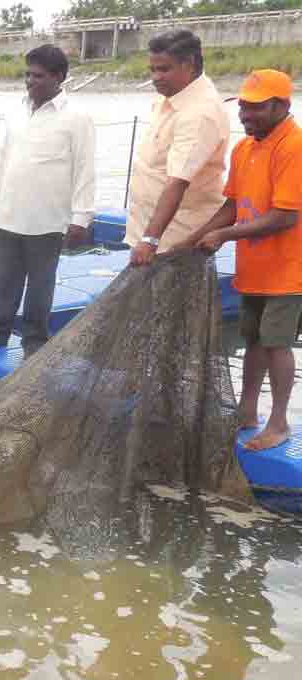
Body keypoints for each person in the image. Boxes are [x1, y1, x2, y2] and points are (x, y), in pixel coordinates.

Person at [184, 70, 301, 451]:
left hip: (289, 269)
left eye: (257, 107)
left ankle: (279, 422)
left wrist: (223, 236)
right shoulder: (244, 149)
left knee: (276, 344)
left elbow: (285, 215)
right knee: (253, 341)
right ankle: (247, 411)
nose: (246, 115)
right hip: (253, 268)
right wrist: (195, 237)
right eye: (244, 106)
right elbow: (232, 207)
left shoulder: (294, 146)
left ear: (282, 105)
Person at [0, 45, 95, 357]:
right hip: (11, 213)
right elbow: (4, 158)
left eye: (38, 76)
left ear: (59, 77)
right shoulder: (17, 111)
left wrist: (81, 218)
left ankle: (34, 344)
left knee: (40, 287)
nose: (30, 81)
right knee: (2, 282)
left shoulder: (77, 118)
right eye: (28, 74)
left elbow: (85, 169)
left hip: (48, 219)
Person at [126, 30, 229, 266]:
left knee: (171, 304)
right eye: (152, 70)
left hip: (175, 243)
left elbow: (178, 181)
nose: (156, 77)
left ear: (189, 64)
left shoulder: (200, 113)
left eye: (164, 69)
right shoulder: (171, 96)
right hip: (147, 236)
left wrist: (150, 239)